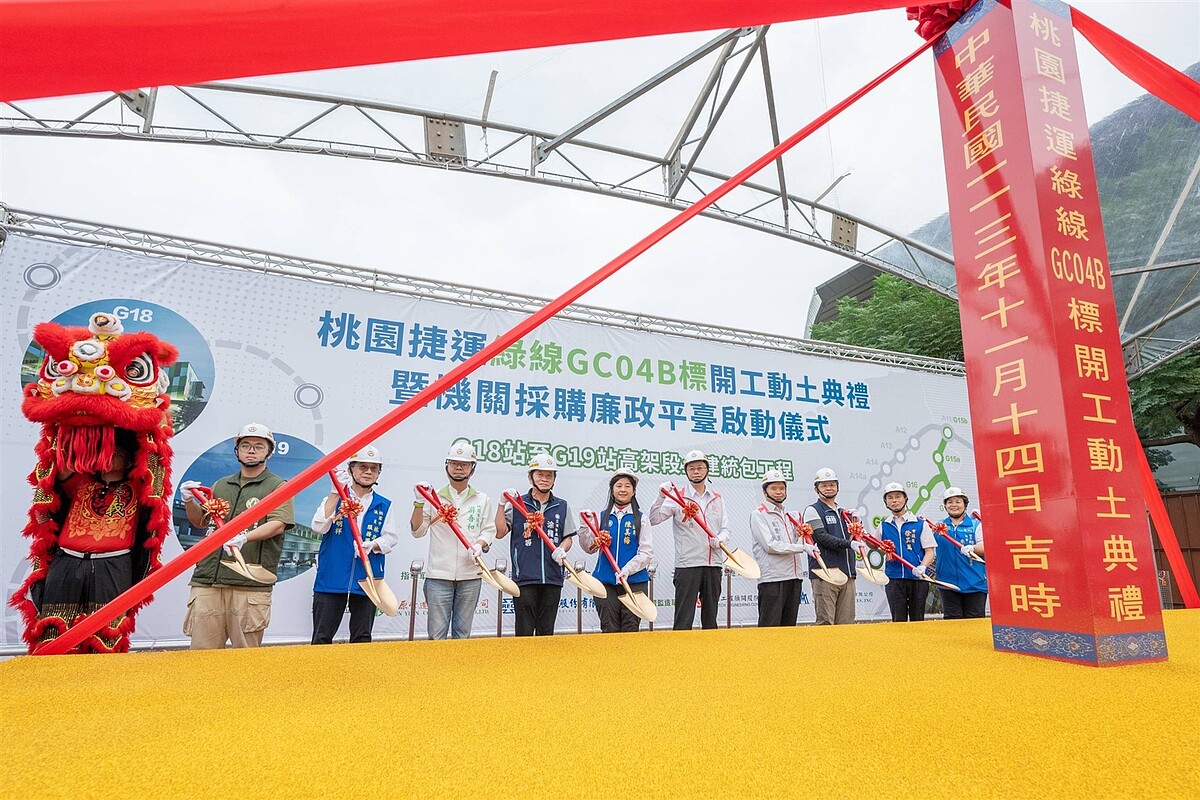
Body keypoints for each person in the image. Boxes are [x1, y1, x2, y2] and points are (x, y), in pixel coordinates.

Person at [26, 431, 147, 652]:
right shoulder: (81, 480)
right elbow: (60, 468)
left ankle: (100, 684)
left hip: (114, 565)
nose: (110, 456)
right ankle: (52, 680)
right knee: (54, 627)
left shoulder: (140, 488)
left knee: (106, 632)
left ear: (129, 461)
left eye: (117, 452)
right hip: (67, 562)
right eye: (106, 451)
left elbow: (156, 463)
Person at [180, 422, 295, 649]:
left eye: (258, 446)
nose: (251, 450)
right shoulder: (222, 484)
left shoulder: (277, 486)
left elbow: (277, 524)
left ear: (269, 453)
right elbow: (199, 521)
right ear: (237, 450)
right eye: (245, 445)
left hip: (249, 583)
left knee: (245, 659)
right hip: (208, 580)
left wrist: (245, 537)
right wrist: (188, 501)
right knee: (202, 656)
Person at [309, 445, 400, 644]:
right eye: (362, 467)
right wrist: (334, 495)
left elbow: (391, 537)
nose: (368, 472)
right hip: (332, 576)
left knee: (362, 637)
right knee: (322, 636)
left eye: (373, 468)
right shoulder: (335, 498)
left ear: (378, 473)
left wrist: (374, 545)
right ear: (351, 469)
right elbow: (318, 526)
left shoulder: (384, 504)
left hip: (367, 578)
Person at [411, 439, 496, 640]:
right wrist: (418, 502)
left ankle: (459, 671)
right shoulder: (434, 497)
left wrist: (479, 544)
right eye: (454, 463)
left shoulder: (482, 499)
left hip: (471, 576)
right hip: (438, 576)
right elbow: (417, 531)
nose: (459, 467)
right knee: (436, 635)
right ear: (446, 466)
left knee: (463, 634)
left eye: (465, 464)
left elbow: (489, 530)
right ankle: (436, 671)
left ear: (472, 470)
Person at [649, 450, 731, 631]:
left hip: (713, 564)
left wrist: (721, 538)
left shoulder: (717, 498)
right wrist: (661, 496)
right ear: (686, 471)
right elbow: (654, 519)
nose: (696, 472)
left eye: (700, 468)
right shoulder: (677, 497)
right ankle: (681, 656)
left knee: (710, 619)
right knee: (683, 618)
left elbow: (725, 528)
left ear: (707, 470)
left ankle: (710, 655)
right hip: (687, 564)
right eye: (692, 468)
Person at [495, 452, 574, 636]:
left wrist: (562, 548)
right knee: (524, 632)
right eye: (540, 475)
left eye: (549, 475)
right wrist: (501, 504)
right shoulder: (518, 504)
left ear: (554, 479)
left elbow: (568, 537)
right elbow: (499, 532)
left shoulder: (562, 506)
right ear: (530, 477)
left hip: (553, 578)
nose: (544, 479)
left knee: (546, 633)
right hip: (525, 578)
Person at [576, 468, 653, 633]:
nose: (623, 489)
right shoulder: (601, 517)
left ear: (634, 491)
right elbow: (588, 547)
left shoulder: (641, 519)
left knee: (630, 630)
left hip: (634, 583)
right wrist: (584, 526)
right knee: (609, 629)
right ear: (612, 490)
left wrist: (627, 570)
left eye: (627, 486)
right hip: (605, 582)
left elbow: (646, 553)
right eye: (619, 485)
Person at [749, 469, 814, 627]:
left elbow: (790, 542)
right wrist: (802, 547)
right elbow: (770, 545)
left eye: (782, 488)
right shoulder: (759, 514)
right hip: (773, 578)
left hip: (794, 577)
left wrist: (800, 535)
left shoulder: (789, 515)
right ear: (765, 492)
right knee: (770, 628)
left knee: (789, 628)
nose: (778, 492)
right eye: (773, 488)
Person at [802, 467, 863, 625]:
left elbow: (855, 536)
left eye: (832, 484)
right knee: (826, 624)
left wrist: (856, 523)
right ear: (817, 489)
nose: (829, 488)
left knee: (846, 624)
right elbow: (822, 538)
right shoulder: (812, 510)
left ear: (838, 487)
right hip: (825, 575)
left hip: (847, 574)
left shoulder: (845, 513)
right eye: (824, 485)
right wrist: (850, 544)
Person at [874, 482, 936, 622]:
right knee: (898, 620)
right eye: (890, 498)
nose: (894, 500)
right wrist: (861, 533)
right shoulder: (884, 525)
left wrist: (923, 567)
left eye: (898, 496)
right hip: (894, 579)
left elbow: (930, 551)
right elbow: (873, 545)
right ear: (886, 502)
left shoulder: (920, 523)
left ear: (905, 499)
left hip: (917, 579)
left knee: (917, 619)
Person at [936, 486, 987, 619]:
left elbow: (986, 546)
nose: (954, 505)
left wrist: (973, 548)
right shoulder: (938, 527)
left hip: (975, 584)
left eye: (958, 501)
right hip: (948, 584)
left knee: (974, 625)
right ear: (945, 506)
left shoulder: (976, 525)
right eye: (950, 502)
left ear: (965, 504)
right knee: (953, 625)